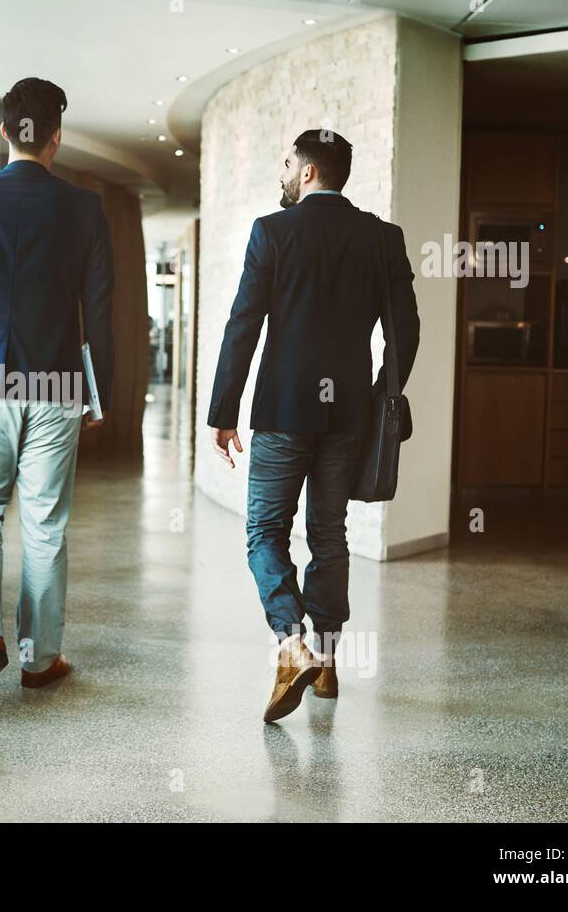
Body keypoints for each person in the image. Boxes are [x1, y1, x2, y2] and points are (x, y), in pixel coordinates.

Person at [206, 129, 420, 723]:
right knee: (329, 534)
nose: (281, 174)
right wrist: (383, 396)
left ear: (305, 172)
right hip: (348, 413)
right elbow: (406, 331)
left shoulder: (272, 233)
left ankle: (291, 640)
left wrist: (224, 412)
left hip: (282, 410)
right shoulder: (382, 238)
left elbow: (242, 325)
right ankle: (323, 662)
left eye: (285, 164)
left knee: (265, 531)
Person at [0, 77, 115, 698]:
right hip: (58, 380)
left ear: (5, 131)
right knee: (44, 522)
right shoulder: (85, 208)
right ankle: (39, 659)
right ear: (56, 140)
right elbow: (101, 306)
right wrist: (99, 392)